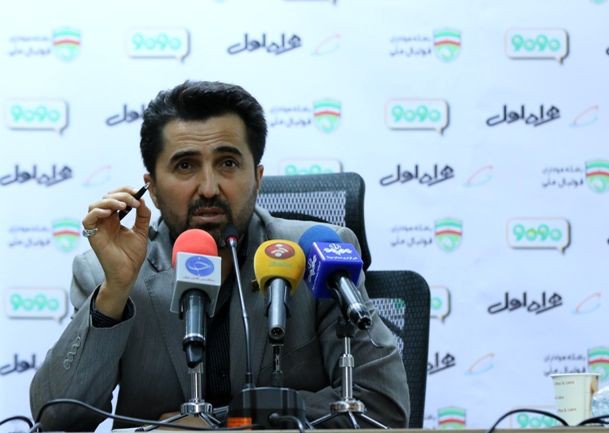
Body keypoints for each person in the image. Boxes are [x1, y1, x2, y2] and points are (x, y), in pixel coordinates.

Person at [30, 80, 410, 430]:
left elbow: (382, 406)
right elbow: (57, 419)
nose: (209, 187)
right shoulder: (106, 271)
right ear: (152, 189)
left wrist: (221, 424)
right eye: (185, 166)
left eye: (228, 163)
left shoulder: (318, 254)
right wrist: (114, 293)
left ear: (257, 178)